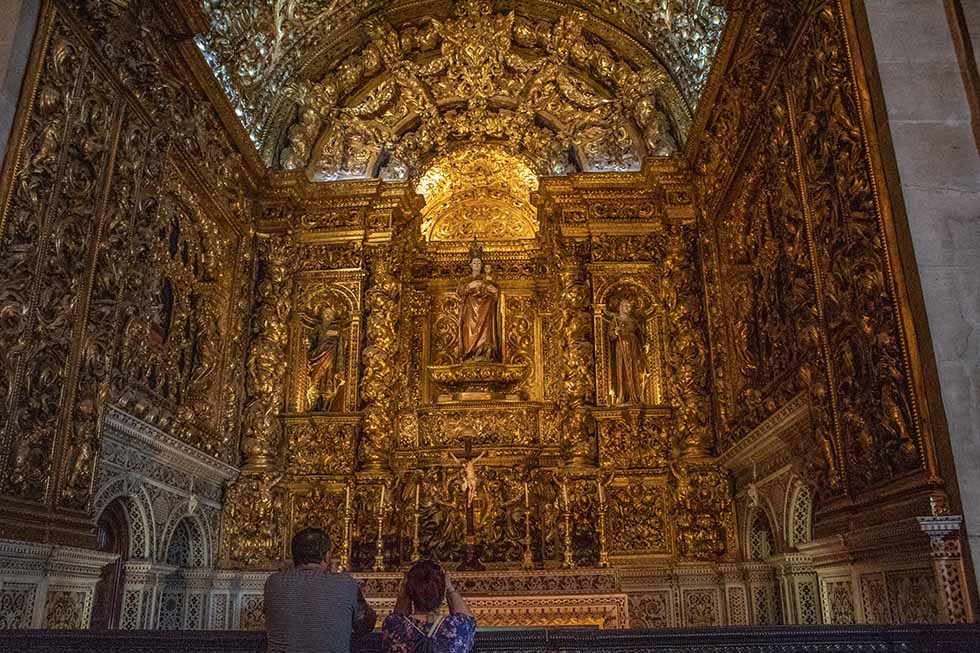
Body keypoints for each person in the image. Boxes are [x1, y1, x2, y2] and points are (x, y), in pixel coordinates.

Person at [265, 528, 376, 653]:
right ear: (327, 556)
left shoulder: (273, 583)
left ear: (294, 555)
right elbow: (366, 625)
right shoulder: (344, 583)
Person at [381, 560, 476, 653]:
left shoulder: (394, 626)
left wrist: (404, 593)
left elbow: (399, 617)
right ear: (443, 594)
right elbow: (467, 618)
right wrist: (450, 589)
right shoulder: (459, 627)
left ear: (409, 592)